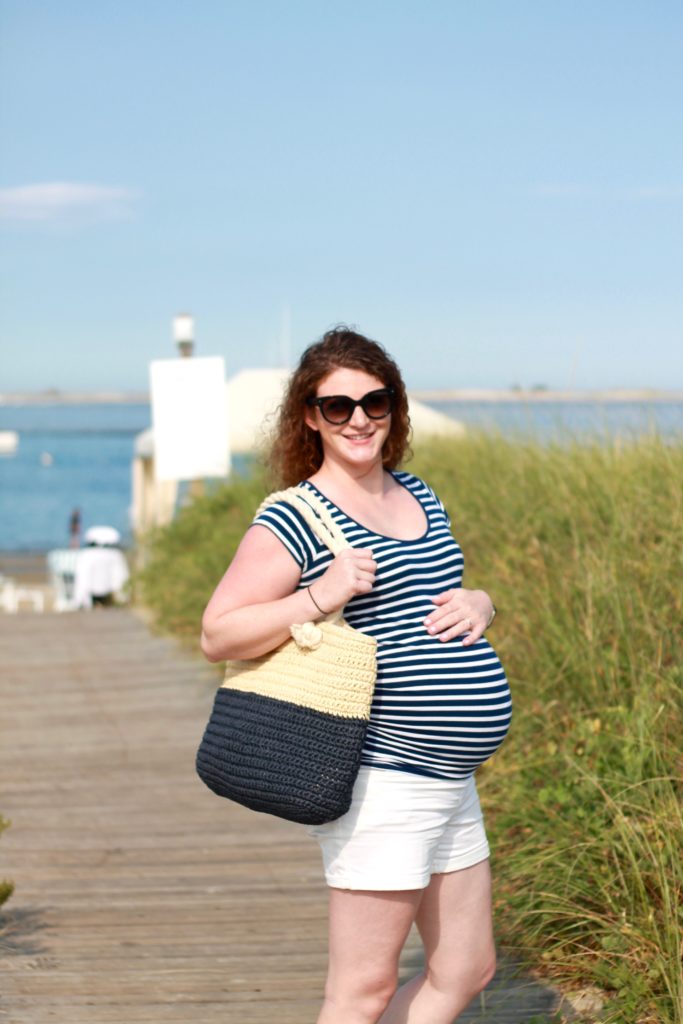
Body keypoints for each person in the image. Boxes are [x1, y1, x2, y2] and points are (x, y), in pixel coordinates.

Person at [200, 326, 512, 1024]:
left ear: (394, 407)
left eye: (375, 401)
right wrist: (320, 594)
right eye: (337, 406)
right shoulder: (295, 516)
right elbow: (217, 633)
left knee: (467, 968)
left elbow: (433, 598)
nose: (359, 420)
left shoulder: (419, 495)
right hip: (384, 778)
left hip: (450, 778)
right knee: (361, 992)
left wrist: (482, 602)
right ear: (310, 417)